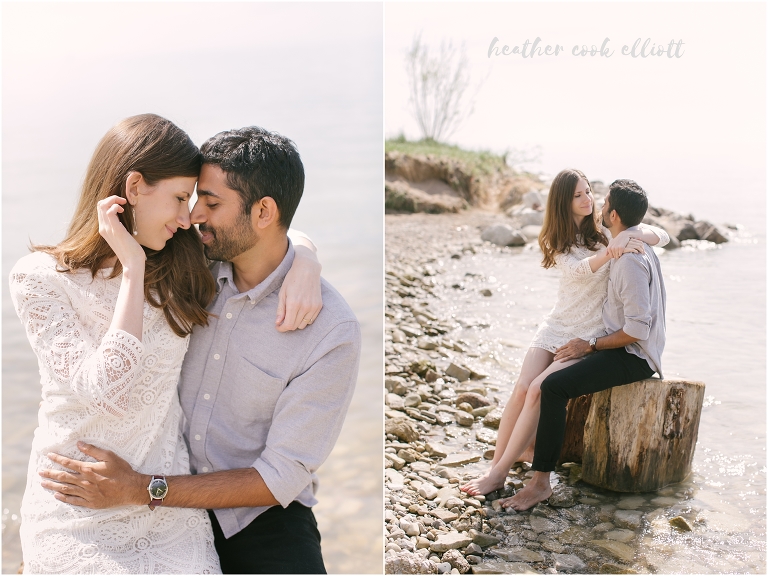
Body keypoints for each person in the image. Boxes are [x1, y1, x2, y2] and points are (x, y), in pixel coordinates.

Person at [39, 126, 362, 574]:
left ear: (265, 211)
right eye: (192, 200)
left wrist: (142, 488)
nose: (192, 217)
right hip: (163, 503)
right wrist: (306, 253)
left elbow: (281, 477)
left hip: (258, 518)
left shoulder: (330, 330)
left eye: (210, 204)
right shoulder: (191, 263)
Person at [461, 169, 669, 497]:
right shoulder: (560, 241)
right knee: (521, 388)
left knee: (538, 391)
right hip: (558, 323)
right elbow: (576, 269)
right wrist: (612, 250)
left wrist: (638, 236)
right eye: (578, 195)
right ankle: (497, 465)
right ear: (563, 202)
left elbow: (663, 235)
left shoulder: (604, 230)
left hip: (589, 329)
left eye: (589, 192)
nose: (588, 200)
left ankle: (500, 474)